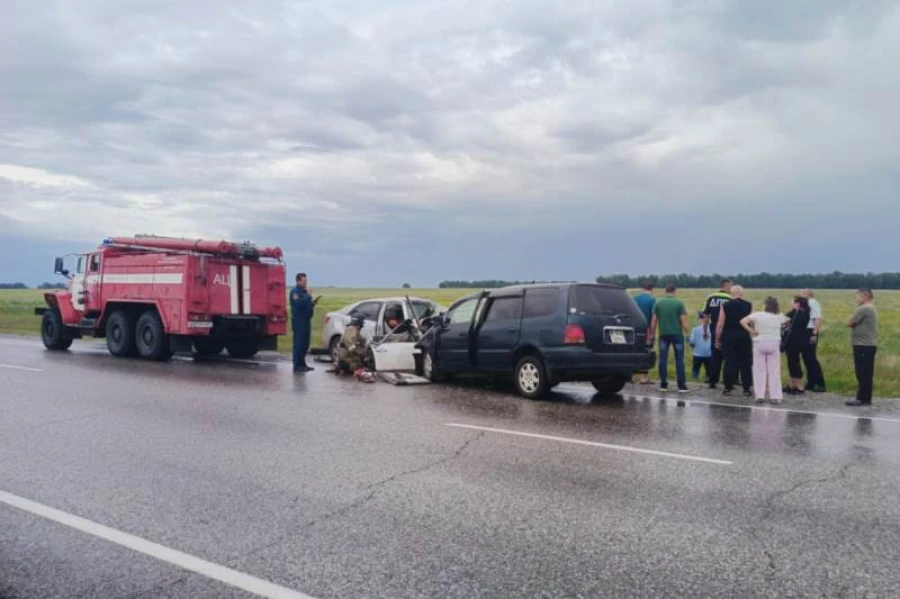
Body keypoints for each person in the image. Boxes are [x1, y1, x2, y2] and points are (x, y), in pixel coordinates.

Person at [740, 297, 788, 404]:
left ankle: (759, 396)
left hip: (759, 343)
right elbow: (788, 320)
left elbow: (742, 321)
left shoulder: (757, 314)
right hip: (774, 343)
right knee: (774, 371)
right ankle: (775, 396)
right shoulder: (779, 316)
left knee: (759, 370)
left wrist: (751, 330)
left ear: (765, 305)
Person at [649, 283, 690, 393]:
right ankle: (681, 385)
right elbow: (683, 320)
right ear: (674, 291)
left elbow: (653, 321)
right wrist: (688, 333)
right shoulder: (679, 303)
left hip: (663, 335)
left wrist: (652, 334)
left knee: (662, 360)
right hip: (677, 334)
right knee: (679, 360)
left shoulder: (658, 302)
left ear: (665, 291)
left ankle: (663, 384)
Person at [716, 285, 753, 397]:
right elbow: (751, 322)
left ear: (731, 294)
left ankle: (728, 387)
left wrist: (717, 339)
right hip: (744, 335)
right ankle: (746, 388)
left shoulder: (725, 306)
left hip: (729, 335)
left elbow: (720, 324)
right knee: (745, 362)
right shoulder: (749, 305)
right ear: (742, 293)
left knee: (729, 361)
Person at [846, 289, 878, 407]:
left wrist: (849, 318)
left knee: (862, 372)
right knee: (866, 372)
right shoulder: (870, 307)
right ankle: (866, 398)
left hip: (863, 345)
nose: (856, 299)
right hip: (868, 345)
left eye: (858, 296)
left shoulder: (864, 308)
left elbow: (850, 323)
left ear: (865, 296)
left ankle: (861, 398)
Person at [702, 279, 733, 389]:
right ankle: (728, 381)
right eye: (731, 285)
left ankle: (712, 381)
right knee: (728, 356)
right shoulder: (731, 298)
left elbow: (706, 316)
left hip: (714, 327)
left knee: (715, 355)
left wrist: (704, 330)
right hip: (728, 329)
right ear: (727, 286)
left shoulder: (711, 297)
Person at [330, 311, 374, 381]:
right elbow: (349, 344)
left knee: (361, 354)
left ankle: (342, 366)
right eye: (362, 322)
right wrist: (359, 352)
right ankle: (344, 367)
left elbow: (362, 339)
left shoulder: (354, 330)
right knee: (360, 364)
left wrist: (368, 342)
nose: (363, 325)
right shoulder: (351, 330)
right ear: (359, 323)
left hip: (346, 356)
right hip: (346, 359)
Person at [782, 297, 812, 395]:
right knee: (794, 363)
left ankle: (798, 386)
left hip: (793, 341)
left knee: (793, 363)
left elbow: (783, 320)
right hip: (803, 340)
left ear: (798, 303)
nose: (791, 304)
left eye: (793, 302)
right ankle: (794, 385)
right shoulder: (807, 313)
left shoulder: (795, 313)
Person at [799, 289, 826, 392]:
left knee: (811, 358)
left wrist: (814, 333)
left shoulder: (813, 303)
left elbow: (817, 318)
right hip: (805, 331)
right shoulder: (806, 304)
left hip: (810, 331)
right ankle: (811, 381)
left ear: (807, 294)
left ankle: (820, 383)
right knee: (806, 357)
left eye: (801, 293)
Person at [632, 282, 657, 385]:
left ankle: (631, 376)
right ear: (652, 289)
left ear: (642, 288)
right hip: (645, 328)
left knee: (633, 351)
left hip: (634, 328)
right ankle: (643, 377)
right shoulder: (652, 300)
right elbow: (653, 317)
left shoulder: (635, 299)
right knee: (645, 352)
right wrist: (652, 332)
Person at [290, 272, 315, 372]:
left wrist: (312, 304)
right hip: (299, 321)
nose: (306, 283)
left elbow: (306, 304)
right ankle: (297, 365)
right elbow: (298, 304)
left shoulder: (304, 292)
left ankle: (303, 364)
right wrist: (308, 296)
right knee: (299, 343)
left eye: (306, 281)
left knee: (305, 343)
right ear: (298, 281)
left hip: (306, 320)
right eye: (304, 281)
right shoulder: (295, 292)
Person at [688, 311, 712, 381]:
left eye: (698, 318)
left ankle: (695, 380)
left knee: (695, 369)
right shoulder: (711, 329)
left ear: (701, 319)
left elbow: (692, 341)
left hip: (697, 354)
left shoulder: (695, 329)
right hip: (709, 354)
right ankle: (709, 379)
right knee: (709, 370)